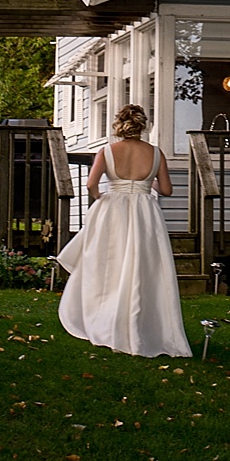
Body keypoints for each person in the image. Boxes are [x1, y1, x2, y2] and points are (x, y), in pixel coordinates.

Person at [55, 104, 193, 358]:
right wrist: (143, 183)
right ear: (142, 126)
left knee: (109, 265)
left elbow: (91, 184)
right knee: (142, 267)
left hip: (113, 211)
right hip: (144, 213)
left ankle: (105, 318)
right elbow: (166, 190)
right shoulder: (155, 153)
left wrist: (102, 198)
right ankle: (141, 322)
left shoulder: (107, 151)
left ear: (119, 124)